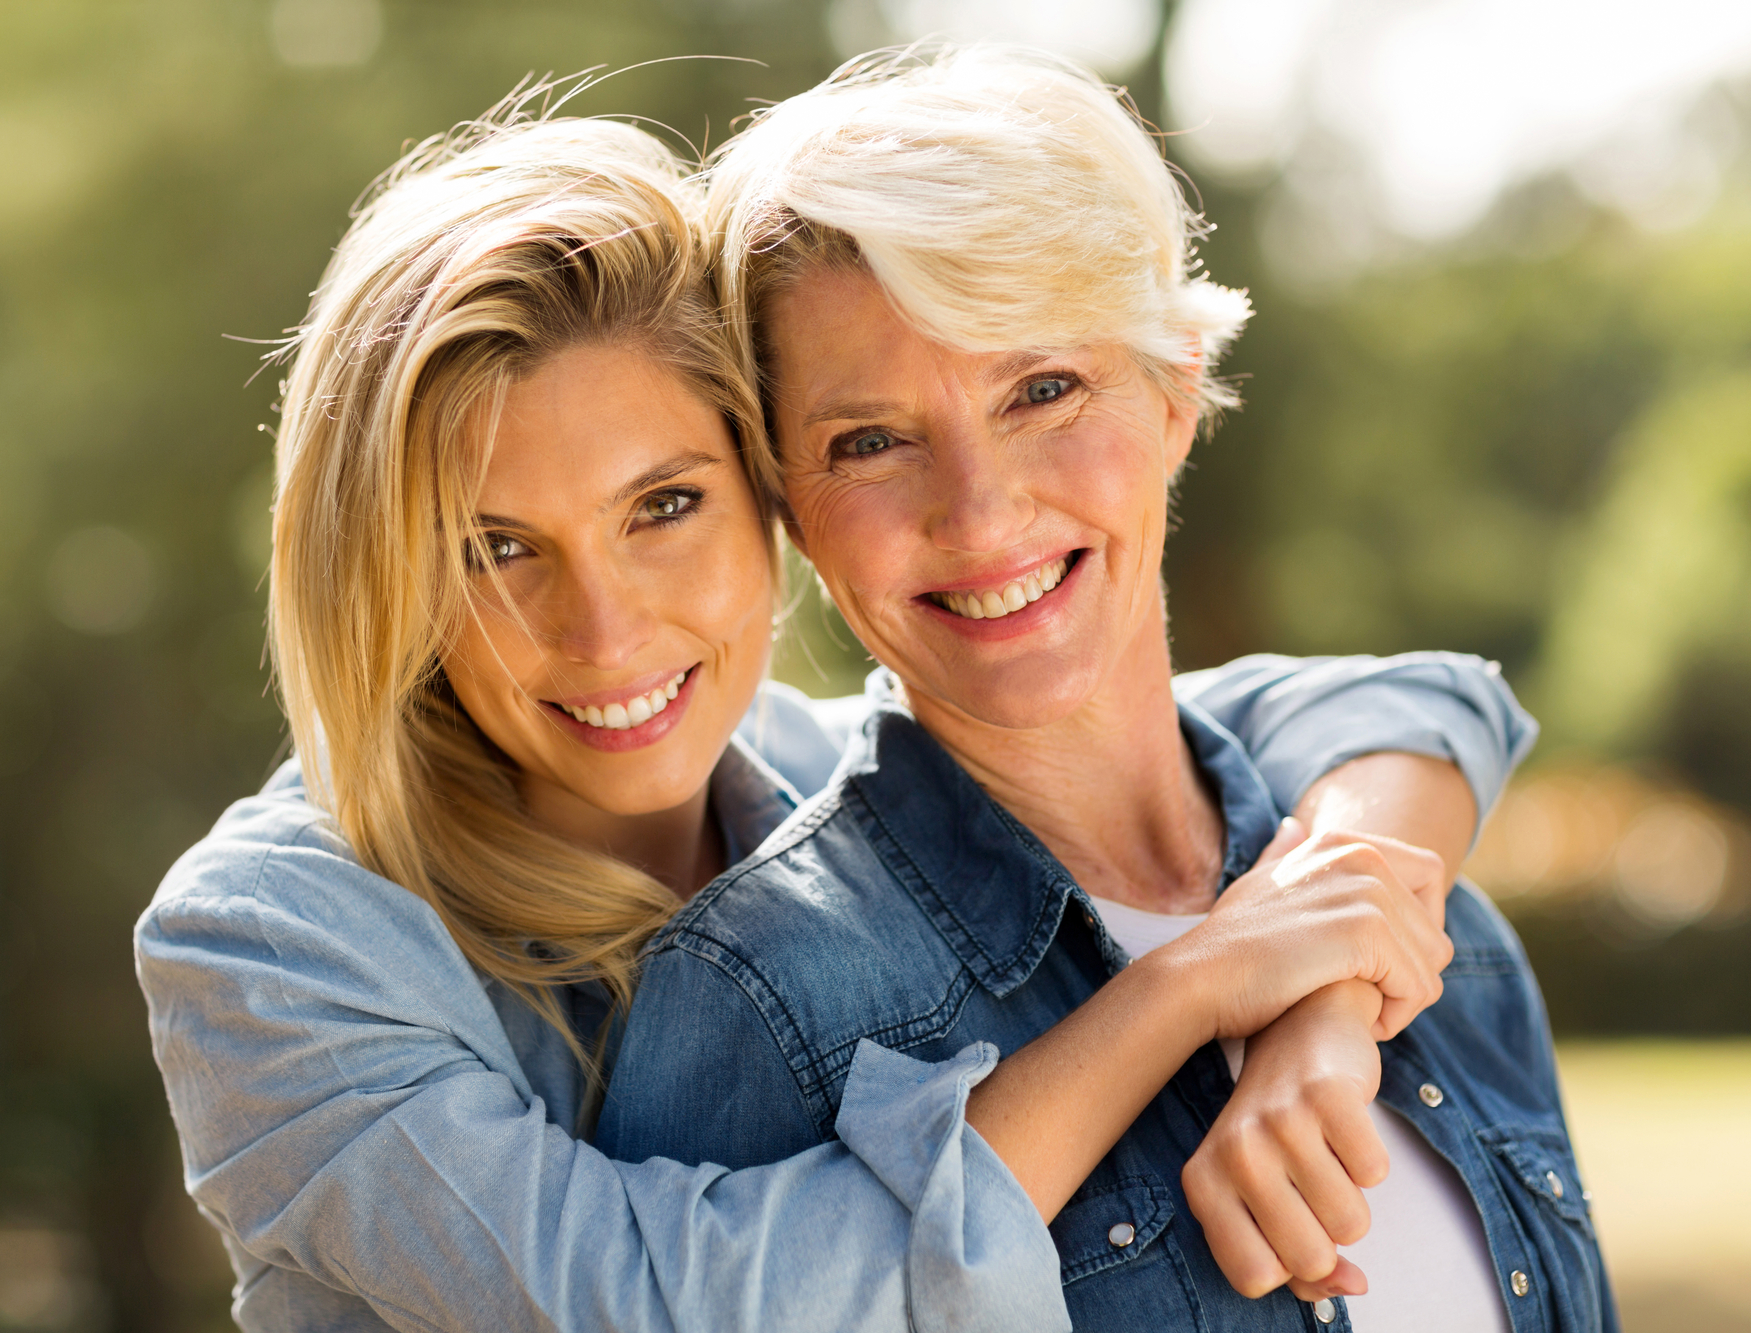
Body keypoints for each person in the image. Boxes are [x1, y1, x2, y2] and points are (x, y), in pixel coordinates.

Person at [138, 96, 1538, 1333]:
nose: (606, 629)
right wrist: (1185, 988)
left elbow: (1384, 705)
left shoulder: (816, 777)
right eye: (490, 547)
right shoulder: (272, 944)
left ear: (761, 502)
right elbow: (648, 1308)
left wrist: (1323, 1002)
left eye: (662, 506)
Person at [597, 47, 1616, 1333]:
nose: (977, 512)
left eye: (1042, 388)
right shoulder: (760, 996)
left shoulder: (1432, 934)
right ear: (789, 505)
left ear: (1177, 384)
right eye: (869, 441)